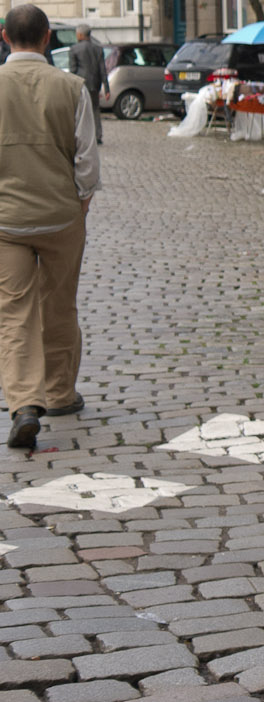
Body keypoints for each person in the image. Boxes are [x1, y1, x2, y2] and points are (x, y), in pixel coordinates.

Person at [0, 4, 99, 450]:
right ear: (46, 39)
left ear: (4, 37)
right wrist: (79, 206)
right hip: (61, 215)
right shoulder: (71, 87)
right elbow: (87, 162)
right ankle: (59, 393)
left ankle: (23, 402)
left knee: (14, 312)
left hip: (6, 220)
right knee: (60, 304)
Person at [68, 24, 103, 145]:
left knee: (80, 110)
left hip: (80, 83)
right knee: (95, 109)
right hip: (95, 84)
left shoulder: (74, 49)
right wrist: (106, 88)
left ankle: (83, 135)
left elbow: (73, 70)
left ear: (81, 35)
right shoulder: (98, 48)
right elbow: (102, 70)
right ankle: (98, 135)